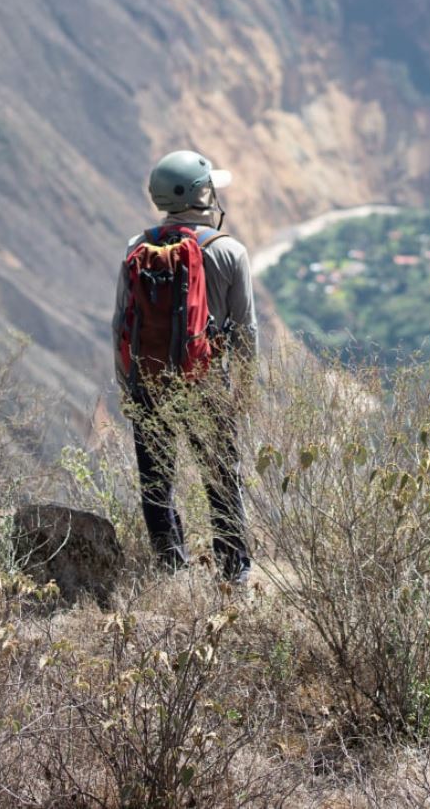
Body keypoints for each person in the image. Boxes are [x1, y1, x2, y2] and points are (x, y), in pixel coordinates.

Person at [111, 150, 256, 583]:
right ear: (199, 194)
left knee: (156, 482)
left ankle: (170, 571)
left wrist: (129, 385)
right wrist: (245, 388)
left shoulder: (137, 247)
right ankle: (235, 577)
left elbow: (120, 323)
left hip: (149, 381)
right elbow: (246, 330)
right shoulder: (228, 251)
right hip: (206, 382)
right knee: (221, 482)